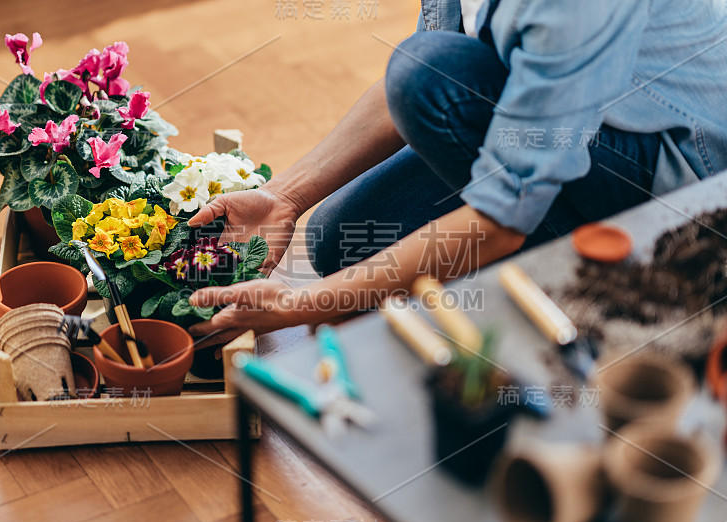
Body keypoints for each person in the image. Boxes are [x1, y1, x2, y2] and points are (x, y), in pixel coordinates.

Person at [187, 0, 727, 347]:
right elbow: (436, 65)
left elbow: (500, 218)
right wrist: (284, 195)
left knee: (425, 73)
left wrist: (310, 301)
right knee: (338, 247)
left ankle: (627, 274)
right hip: (560, 121)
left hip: (682, 186)